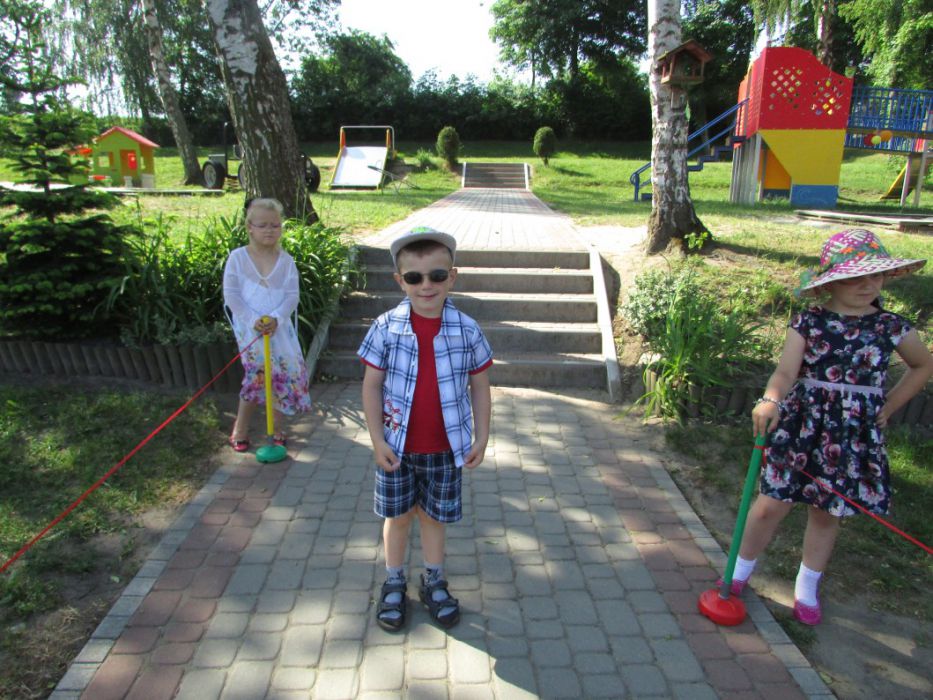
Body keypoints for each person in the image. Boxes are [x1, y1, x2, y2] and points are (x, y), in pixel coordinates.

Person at [727, 228, 931, 625]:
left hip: (851, 434)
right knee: (771, 503)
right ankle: (737, 572)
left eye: (876, 275)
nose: (868, 285)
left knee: (827, 512)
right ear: (832, 281)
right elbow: (785, 373)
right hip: (802, 425)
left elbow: (924, 364)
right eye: (856, 277)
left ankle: (806, 587)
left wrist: (889, 406)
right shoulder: (808, 321)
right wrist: (771, 399)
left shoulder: (891, 326)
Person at [358, 226, 493, 631]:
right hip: (396, 450)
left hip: (445, 450)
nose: (426, 285)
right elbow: (371, 386)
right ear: (400, 281)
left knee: (434, 520)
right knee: (398, 518)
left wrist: (482, 436)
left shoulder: (467, 329)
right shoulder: (385, 327)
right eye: (414, 277)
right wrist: (376, 440)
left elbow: (480, 386)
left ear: (452, 276)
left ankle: (433, 579)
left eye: (436, 275)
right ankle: (393, 580)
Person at [223, 197, 311, 452]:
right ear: (250, 227)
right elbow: (232, 296)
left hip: (279, 329)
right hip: (250, 329)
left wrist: (276, 318)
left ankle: (277, 428)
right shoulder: (237, 258)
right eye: (262, 225)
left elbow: (292, 296)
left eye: (275, 225)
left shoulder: (286, 261)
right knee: (257, 375)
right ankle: (240, 429)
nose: (269, 230)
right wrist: (254, 320)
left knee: (281, 374)